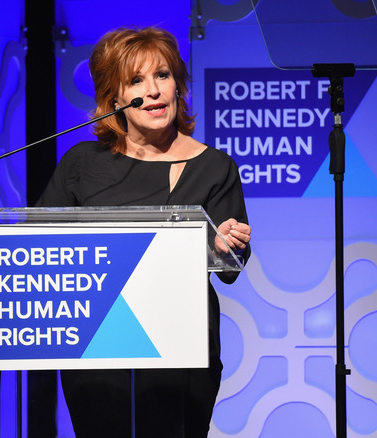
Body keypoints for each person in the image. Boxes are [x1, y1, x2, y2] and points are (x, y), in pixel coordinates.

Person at [35, 26, 251, 438]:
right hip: (97, 347)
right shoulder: (82, 164)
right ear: (114, 98)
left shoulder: (215, 167)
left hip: (182, 353)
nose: (153, 91)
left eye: (162, 75)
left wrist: (225, 247)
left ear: (178, 86)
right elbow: (40, 246)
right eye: (136, 80)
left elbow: (229, 267)